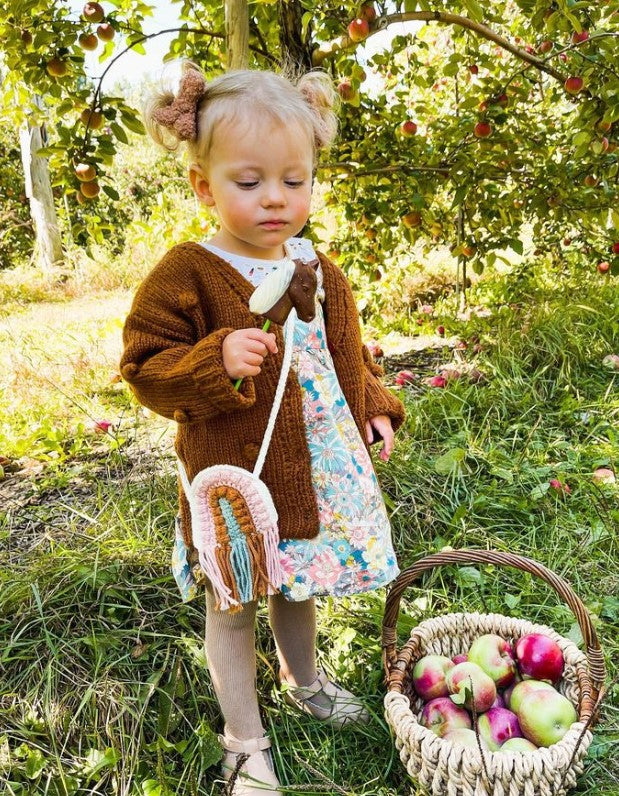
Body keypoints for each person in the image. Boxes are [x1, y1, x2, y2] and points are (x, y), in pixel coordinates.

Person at [120, 60, 406, 795]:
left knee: (297, 583)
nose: (276, 199)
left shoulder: (317, 267)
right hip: (235, 480)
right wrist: (215, 358)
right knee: (235, 598)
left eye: (294, 180)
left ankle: (303, 681)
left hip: (308, 471)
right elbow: (145, 364)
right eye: (249, 184)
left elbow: (345, 353)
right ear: (203, 186)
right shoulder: (188, 272)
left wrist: (373, 404)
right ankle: (244, 739)